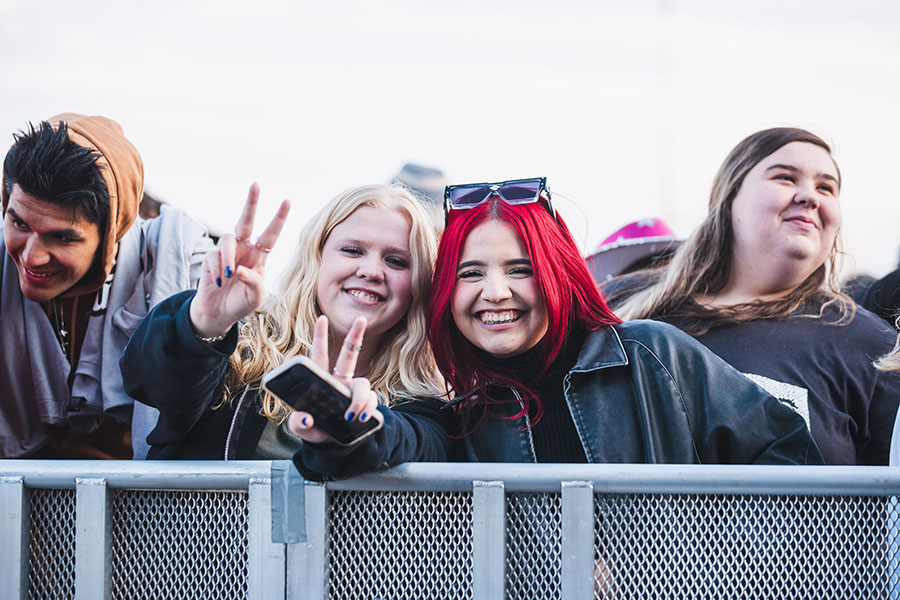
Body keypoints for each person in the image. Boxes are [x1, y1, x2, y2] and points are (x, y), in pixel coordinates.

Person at [292, 177, 822, 480]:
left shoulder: (653, 356)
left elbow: (787, 452)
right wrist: (345, 424)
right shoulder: (460, 411)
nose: (495, 291)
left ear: (559, 275)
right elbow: (401, 438)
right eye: (470, 273)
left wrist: (691, 569)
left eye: (520, 269)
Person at [602, 127, 900, 465]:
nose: (810, 197)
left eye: (826, 187)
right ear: (729, 198)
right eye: (785, 178)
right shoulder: (621, 304)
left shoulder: (872, 346)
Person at [120, 183, 445, 459]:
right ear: (316, 258)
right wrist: (203, 324)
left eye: (396, 261)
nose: (372, 271)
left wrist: (348, 424)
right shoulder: (243, 342)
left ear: (419, 283)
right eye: (352, 250)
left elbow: (418, 447)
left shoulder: (426, 396)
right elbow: (146, 381)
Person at [1, 114, 213, 459]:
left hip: (150, 507)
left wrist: (209, 327)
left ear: (110, 237)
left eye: (62, 237)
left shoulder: (185, 272)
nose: (32, 257)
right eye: (18, 222)